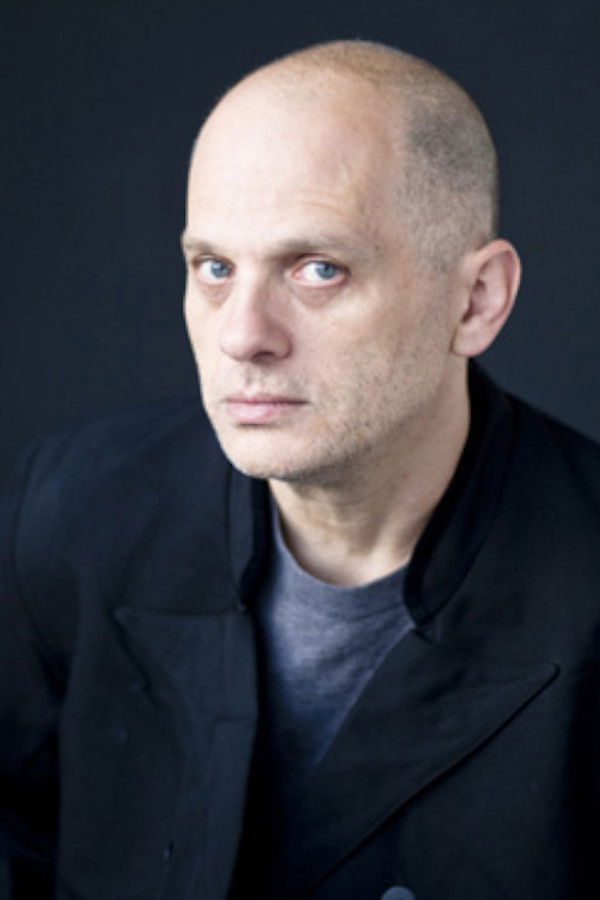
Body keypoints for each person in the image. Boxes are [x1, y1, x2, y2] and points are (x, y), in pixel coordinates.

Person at [1, 38, 598, 900]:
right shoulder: (69, 515)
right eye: (214, 268)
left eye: (319, 270)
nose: (243, 335)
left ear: (476, 300)